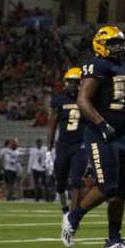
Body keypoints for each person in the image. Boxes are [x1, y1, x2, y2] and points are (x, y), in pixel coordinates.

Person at [61, 26, 125, 248]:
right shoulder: (97, 65)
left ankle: (113, 240)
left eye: (120, 42)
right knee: (107, 186)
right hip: (101, 133)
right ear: (100, 44)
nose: (118, 47)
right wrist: (101, 124)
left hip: (123, 131)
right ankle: (73, 217)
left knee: (121, 191)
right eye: (113, 43)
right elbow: (83, 100)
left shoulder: (124, 67)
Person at [51, 67, 87, 215]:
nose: (72, 85)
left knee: (76, 180)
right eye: (70, 82)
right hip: (64, 144)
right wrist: (49, 148)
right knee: (60, 180)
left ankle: (72, 215)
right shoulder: (59, 99)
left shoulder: (87, 98)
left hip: (80, 145)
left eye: (76, 82)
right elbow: (52, 125)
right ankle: (64, 207)